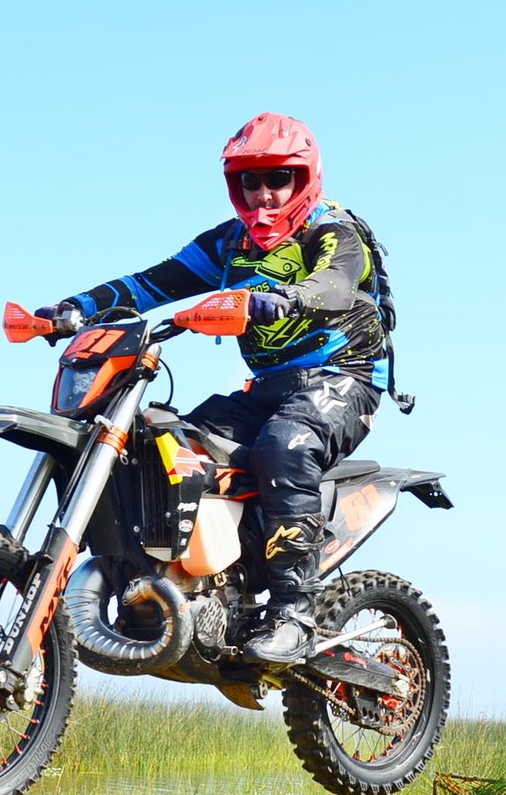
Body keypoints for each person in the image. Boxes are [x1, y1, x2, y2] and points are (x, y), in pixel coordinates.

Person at [34, 112, 390, 665]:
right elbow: (149, 284)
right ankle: (194, 586)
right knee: (166, 449)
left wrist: (285, 297)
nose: (264, 194)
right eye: (251, 180)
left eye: (279, 178)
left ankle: (294, 612)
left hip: (345, 378)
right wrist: (72, 308)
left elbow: (336, 284)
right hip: (268, 386)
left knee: (286, 446)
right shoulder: (229, 243)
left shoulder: (334, 231)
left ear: (305, 178)